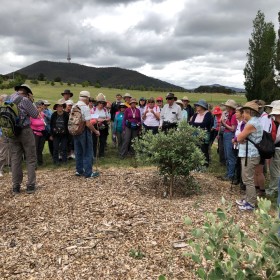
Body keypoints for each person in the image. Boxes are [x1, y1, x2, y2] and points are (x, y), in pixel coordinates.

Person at [9, 84, 39, 194]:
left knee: (15, 159)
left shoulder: (9, 98)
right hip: (25, 130)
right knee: (30, 158)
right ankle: (30, 185)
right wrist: (32, 101)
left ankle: (16, 186)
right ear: (27, 92)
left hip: (11, 132)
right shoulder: (25, 100)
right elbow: (35, 114)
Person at [236, 101, 263, 211]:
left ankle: (250, 203)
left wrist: (241, 138)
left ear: (250, 112)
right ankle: (248, 199)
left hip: (250, 155)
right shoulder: (255, 121)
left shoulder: (252, 123)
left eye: (244, 112)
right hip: (251, 154)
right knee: (247, 178)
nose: (243, 114)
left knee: (248, 179)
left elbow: (239, 138)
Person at [73, 91, 100, 178]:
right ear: (86, 98)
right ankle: (88, 173)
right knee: (88, 151)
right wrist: (96, 131)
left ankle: (79, 170)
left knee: (78, 151)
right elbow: (88, 124)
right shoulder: (85, 107)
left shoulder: (74, 106)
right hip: (84, 132)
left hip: (75, 131)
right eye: (89, 98)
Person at [190, 99, 213, 167]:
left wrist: (195, 124)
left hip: (204, 134)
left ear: (202, 107)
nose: (196, 106)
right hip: (195, 134)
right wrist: (195, 124)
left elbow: (204, 124)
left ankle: (205, 164)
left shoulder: (208, 114)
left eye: (198, 105)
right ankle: (197, 163)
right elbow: (191, 124)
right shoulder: (196, 114)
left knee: (204, 149)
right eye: (196, 105)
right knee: (196, 148)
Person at [221, 99, 238, 181]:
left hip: (229, 135)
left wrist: (224, 124)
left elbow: (233, 129)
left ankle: (231, 175)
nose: (226, 107)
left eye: (227, 106)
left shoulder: (233, 116)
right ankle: (228, 173)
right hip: (227, 135)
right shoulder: (230, 115)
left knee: (230, 156)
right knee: (227, 156)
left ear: (230, 107)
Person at [90, 93, 111, 158]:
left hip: (104, 127)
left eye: (103, 103)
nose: (101, 105)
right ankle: (94, 154)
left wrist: (104, 119)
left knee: (102, 141)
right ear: (97, 103)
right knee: (95, 141)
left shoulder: (105, 110)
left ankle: (101, 154)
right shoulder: (93, 109)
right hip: (95, 126)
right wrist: (97, 120)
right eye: (100, 103)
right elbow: (91, 118)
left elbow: (109, 118)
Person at [267, 103, 280, 197]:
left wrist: (269, 143)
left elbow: (277, 139)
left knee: (275, 170)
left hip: (278, 149)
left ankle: (274, 189)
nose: (275, 116)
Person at [50, 101, 69, 165]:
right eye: (58, 106)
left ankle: (64, 160)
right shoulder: (54, 114)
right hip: (56, 134)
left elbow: (68, 124)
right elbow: (51, 125)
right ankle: (55, 161)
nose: (60, 108)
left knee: (64, 147)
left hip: (64, 134)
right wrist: (52, 134)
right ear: (56, 108)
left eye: (61, 106)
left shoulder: (66, 114)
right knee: (55, 148)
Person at [30, 100, 47, 166]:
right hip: (35, 133)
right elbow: (30, 125)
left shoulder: (42, 114)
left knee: (40, 148)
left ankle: (40, 161)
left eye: (41, 108)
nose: (41, 109)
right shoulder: (32, 116)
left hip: (42, 133)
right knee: (35, 148)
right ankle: (34, 162)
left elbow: (44, 123)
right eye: (39, 107)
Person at [0, 94, 10, 177]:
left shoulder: (10, 109)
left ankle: (11, 168)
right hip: (2, 134)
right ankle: (0, 170)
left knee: (10, 152)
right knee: (2, 153)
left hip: (10, 133)